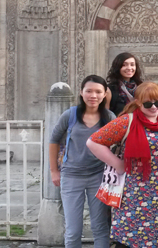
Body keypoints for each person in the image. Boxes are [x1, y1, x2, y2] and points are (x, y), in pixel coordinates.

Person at [87, 82, 158, 248]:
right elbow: (93, 142)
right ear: (138, 103)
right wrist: (118, 164)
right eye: (148, 103)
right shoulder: (127, 121)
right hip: (135, 191)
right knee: (131, 235)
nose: (154, 107)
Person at [49, 75, 115, 248]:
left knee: (100, 227)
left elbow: (118, 143)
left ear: (104, 94)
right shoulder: (70, 115)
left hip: (99, 176)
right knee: (73, 230)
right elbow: (53, 140)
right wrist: (54, 170)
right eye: (89, 91)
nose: (93, 95)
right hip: (72, 176)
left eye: (98, 92)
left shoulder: (109, 117)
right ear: (81, 92)